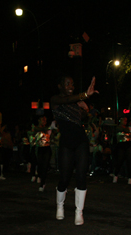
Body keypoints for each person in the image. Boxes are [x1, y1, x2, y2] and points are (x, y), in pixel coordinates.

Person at [50, 75, 98, 225]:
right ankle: (60, 206)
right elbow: (65, 101)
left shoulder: (77, 102)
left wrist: (86, 109)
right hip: (66, 143)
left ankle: (79, 212)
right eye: (67, 83)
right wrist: (84, 95)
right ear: (60, 86)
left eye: (72, 83)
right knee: (64, 177)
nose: (71, 85)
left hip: (81, 141)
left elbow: (83, 118)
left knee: (82, 175)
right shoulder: (55, 100)